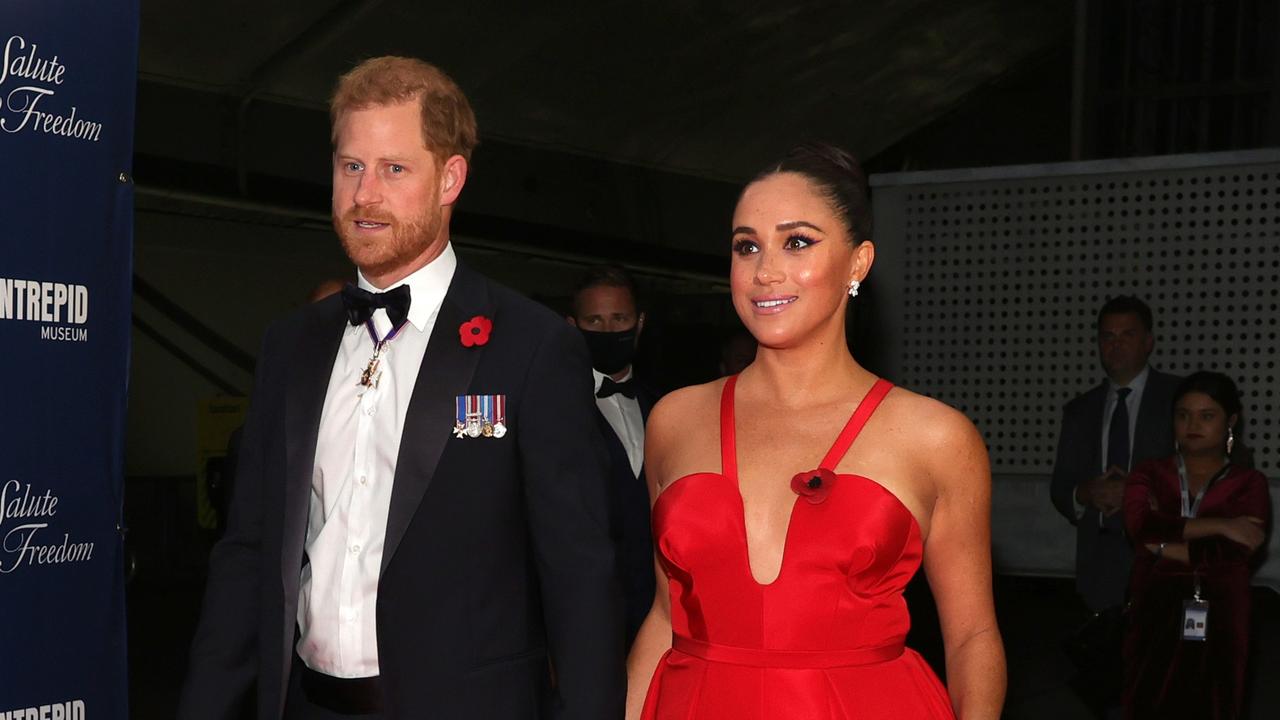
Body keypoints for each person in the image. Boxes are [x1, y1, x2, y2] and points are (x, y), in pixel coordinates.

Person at [178, 57, 624, 720]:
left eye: (394, 169)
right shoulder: (291, 345)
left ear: (450, 179)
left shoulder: (529, 346)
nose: (364, 195)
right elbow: (248, 551)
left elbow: (579, 578)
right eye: (350, 165)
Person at [625, 142, 1006, 720]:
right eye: (746, 246)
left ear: (858, 262)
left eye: (797, 242)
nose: (765, 270)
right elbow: (664, 614)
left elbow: (973, 635)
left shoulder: (935, 436)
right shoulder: (675, 419)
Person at [1049, 296, 1180, 714]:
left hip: (1163, 564)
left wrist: (1139, 494)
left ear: (1149, 342)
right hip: (1101, 566)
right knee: (1109, 688)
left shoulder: (1179, 399)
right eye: (1108, 337)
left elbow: (1210, 472)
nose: (1116, 346)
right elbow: (1061, 487)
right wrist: (1085, 494)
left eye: (1127, 336)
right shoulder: (1080, 409)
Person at [1121, 371, 1270, 720]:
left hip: (1222, 613)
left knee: (1215, 704)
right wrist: (1221, 525)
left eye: (1207, 415)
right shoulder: (1149, 473)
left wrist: (1160, 547)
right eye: (1183, 414)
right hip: (1153, 607)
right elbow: (1139, 525)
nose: (1192, 424)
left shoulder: (1250, 483)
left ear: (1230, 421)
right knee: (1147, 700)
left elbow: (1233, 554)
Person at [567, 264, 658, 645]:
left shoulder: (666, 406)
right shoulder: (553, 408)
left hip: (658, 618)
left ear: (638, 323)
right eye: (595, 320)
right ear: (573, 327)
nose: (608, 331)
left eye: (619, 318)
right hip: (582, 622)